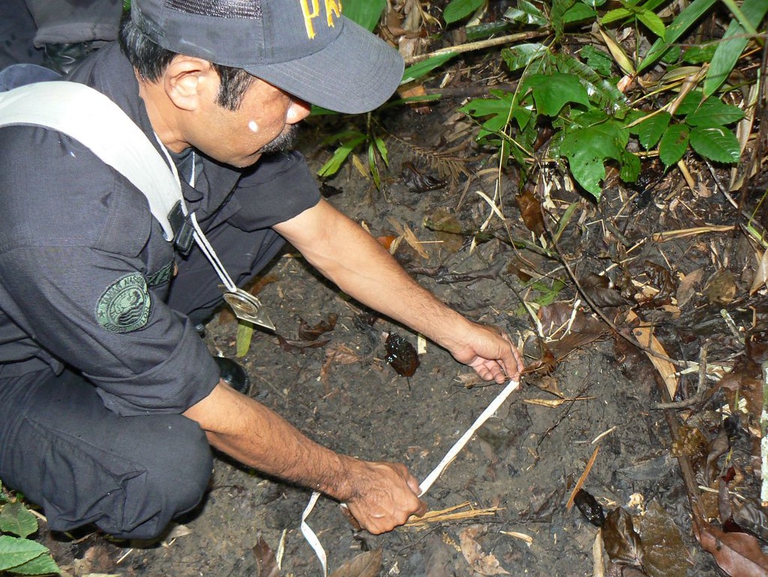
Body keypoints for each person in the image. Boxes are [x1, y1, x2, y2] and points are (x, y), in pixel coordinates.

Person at [0, 0, 523, 541]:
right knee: (165, 465)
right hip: (18, 371)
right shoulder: (65, 225)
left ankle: (141, 357)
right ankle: (117, 403)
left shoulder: (179, 110)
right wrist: (351, 480)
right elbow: (205, 408)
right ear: (188, 80)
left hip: (91, 288)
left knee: (262, 218)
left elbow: (321, 234)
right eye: (286, 89)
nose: (304, 109)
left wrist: (455, 331)